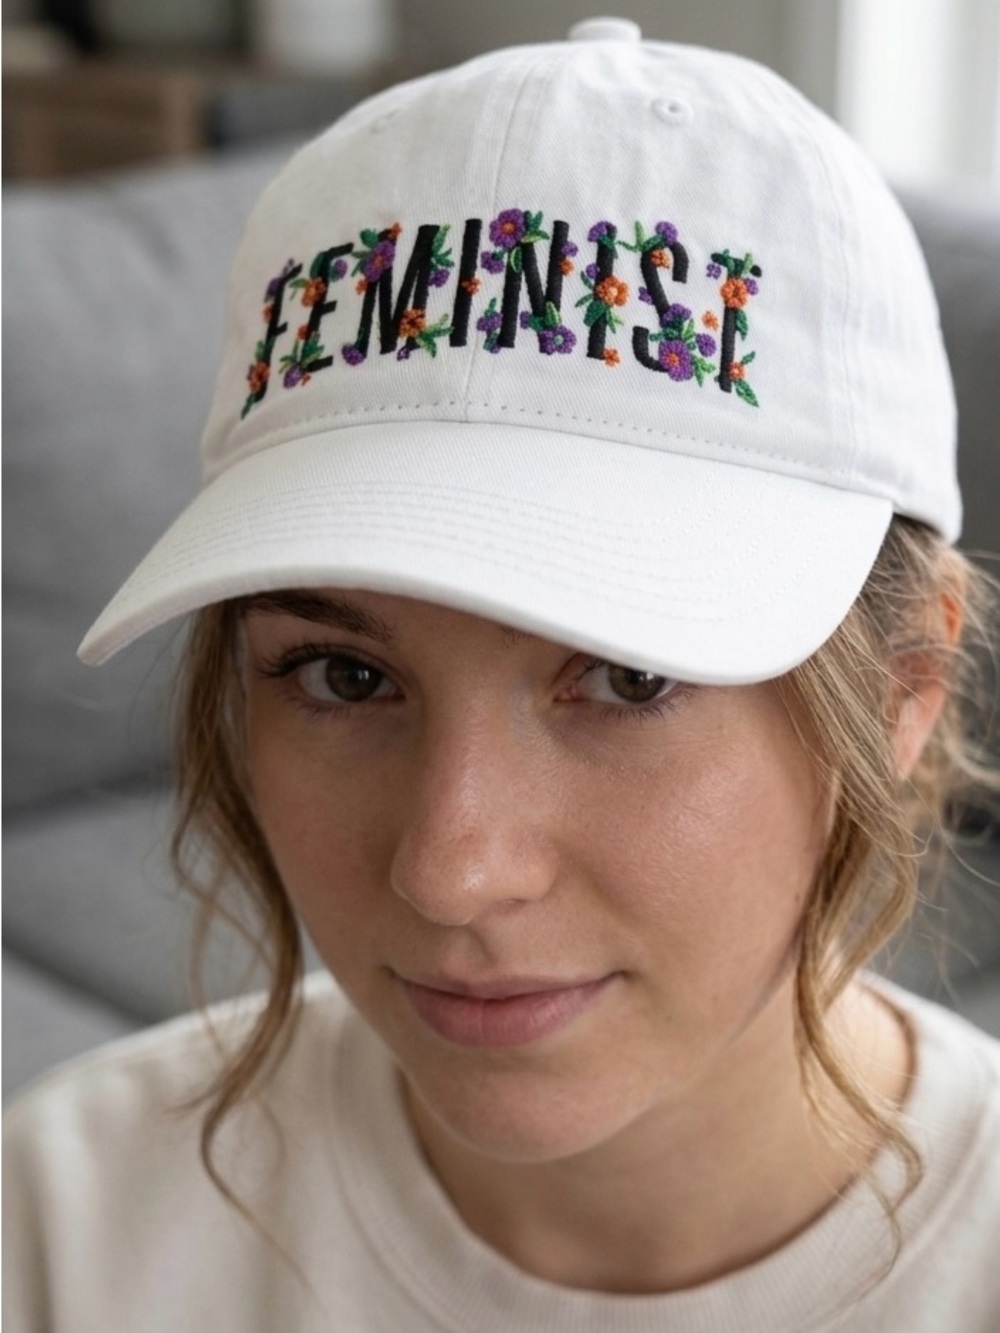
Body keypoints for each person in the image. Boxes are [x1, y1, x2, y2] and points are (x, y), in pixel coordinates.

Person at [5, 17, 1000, 1332]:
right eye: (344, 676)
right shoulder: (69, 1222)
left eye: (632, 676)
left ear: (904, 684)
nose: (451, 868)